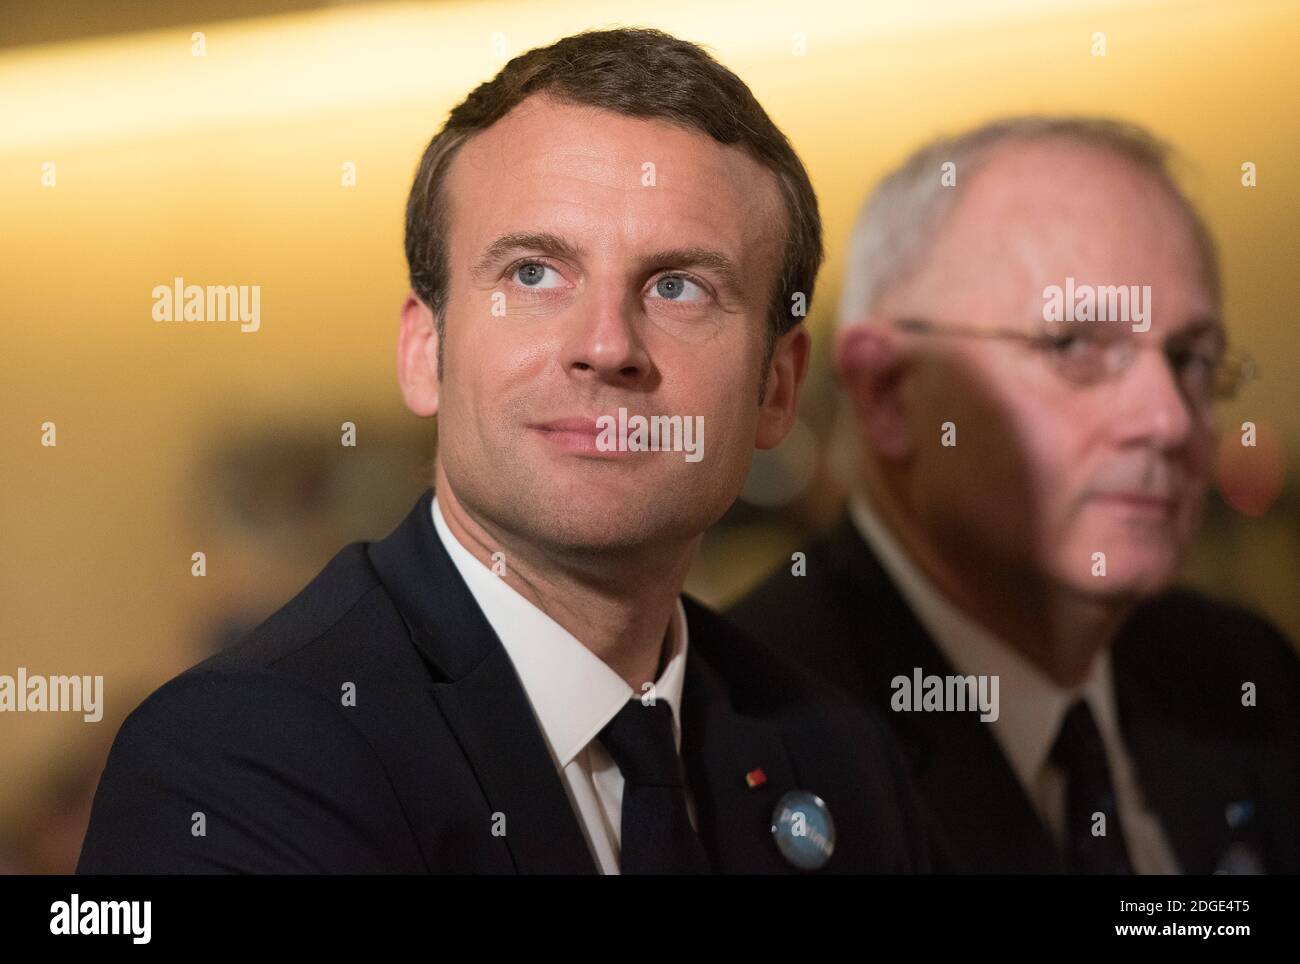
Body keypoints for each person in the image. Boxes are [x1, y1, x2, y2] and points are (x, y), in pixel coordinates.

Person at [76, 27, 929, 875]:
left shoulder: (839, 754)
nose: (606, 345)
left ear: (777, 388)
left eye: (679, 287)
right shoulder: (238, 760)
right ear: (424, 352)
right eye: (533, 273)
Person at [732, 116, 1299, 874]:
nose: (1169, 420)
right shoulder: (743, 727)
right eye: (1074, 345)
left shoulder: (1240, 673)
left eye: (1193, 358)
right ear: (888, 395)